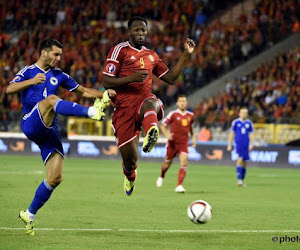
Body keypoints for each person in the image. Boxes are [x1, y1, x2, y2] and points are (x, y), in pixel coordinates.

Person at [6, 38, 115, 236]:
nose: (59, 58)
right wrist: (31, 81)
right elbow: (8, 89)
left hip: (49, 129)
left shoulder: (60, 75)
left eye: (60, 55)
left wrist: (105, 95)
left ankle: (29, 215)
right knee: (51, 100)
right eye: (56, 54)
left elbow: (83, 91)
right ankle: (91, 113)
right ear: (44, 53)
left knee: (55, 178)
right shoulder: (28, 71)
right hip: (31, 121)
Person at [102, 16, 195, 196]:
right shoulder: (119, 50)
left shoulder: (152, 55)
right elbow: (106, 81)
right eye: (136, 30)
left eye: (143, 30)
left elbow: (171, 78)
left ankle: (151, 129)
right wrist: (132, 78)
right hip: (124, 109)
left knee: (151, 102)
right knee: (130, 161)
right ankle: (130, 176)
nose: (141, 33)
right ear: (129, 32)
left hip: (144, 101)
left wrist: (186, 54)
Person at [156, 95, 196, 193]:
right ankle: (161, 176)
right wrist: (167, 135)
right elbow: (163, 125)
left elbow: (190, 127)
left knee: (184, 163)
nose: (182, 103)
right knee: (167, 163)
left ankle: (179, 185)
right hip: (172, 144)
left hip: (183, 143)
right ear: (177, 103)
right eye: (180, 101)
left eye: (184, 101)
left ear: (186, 103)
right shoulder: (173, 114)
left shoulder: (190, 115)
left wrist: (193, 137)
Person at [227, 107, 254, 186]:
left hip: (246, 145)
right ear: (239, 113)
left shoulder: (249, 123)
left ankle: (242, 179)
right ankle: (239, 180)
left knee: (245, 162)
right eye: (242, 112)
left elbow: (251, 134)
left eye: (245, 113)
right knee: (239, 160)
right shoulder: (235, 122)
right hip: (238, 144)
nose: (244, 114)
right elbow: (232, 134)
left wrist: (252, 144)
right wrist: (229, 144)